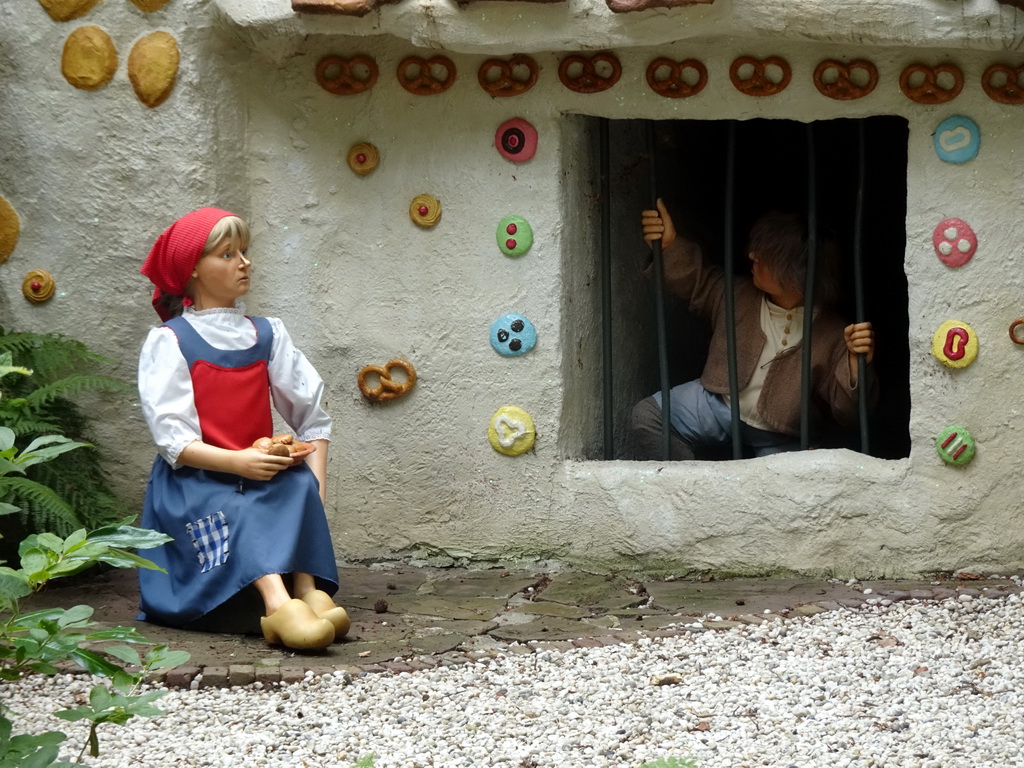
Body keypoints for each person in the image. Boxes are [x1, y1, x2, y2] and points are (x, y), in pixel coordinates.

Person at [136, 207, 348, 650]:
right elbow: (174, 439)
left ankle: (309, 590)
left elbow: (312, 419)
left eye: (245, 251)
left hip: (259, 467)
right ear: (193, 269)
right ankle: (276, 605)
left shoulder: (268, 334)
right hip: (196, 480)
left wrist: (315, 484)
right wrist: (238, 461)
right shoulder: (171, 341)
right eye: (227, 254)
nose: (244, 262)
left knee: (296, 486)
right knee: (241, 508)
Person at [630, 200, 876, 460]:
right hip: (717, 403)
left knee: (798, 481)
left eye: (766, 254)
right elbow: (697, 281)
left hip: (782, 432)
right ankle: (692, 487)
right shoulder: (737, 294)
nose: (752, 255)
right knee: (648, 416)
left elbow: (850, 415)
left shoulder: (834, 333)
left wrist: (855, 366)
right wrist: (669, 245)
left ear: (794, 273)